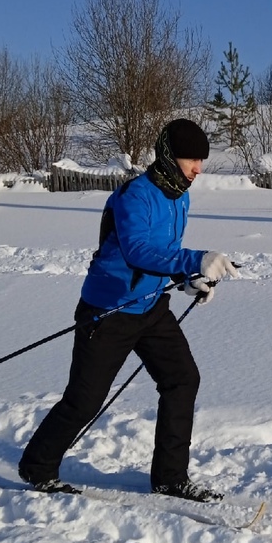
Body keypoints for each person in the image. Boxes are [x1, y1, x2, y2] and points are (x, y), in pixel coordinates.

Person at [18, 118, 238, 500]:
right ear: (170, 157)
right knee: (85, 399)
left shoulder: (179, 196)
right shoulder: (133, 196)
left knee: (183, 379)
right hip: (108, 311)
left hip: (151, 308)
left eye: (201, 161)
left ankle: (169, 477)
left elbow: (162, 255)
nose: (198, 169)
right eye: (191, 160)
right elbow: (137, 250)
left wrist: (188, 281)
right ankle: (38, 467)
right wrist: (196, 260)